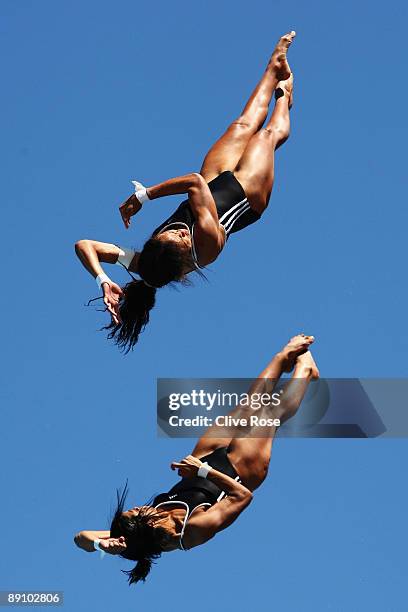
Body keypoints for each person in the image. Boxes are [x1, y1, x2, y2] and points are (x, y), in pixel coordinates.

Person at [75, 31, 296, 351]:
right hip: (246, 195)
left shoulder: (143, 263)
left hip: (212, 182)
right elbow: (193, 183)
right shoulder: (206, 245)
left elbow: (85, 246)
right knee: (265, 137)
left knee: (242, 126)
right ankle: (284, 98)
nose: (180, 234)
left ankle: (274, 66)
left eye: (169, 235)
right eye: (181, 240)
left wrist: (104, 280)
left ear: (151, 246)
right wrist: (144, 195)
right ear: (183, 260)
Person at [74, 334, 319, 584]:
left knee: (246, 407)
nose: (137, 507)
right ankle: (306, 371)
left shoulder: (132, 536)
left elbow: (80, 538)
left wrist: (101, 544)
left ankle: (283, 356)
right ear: (145, 527)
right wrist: (203, 471)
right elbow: (242, 497)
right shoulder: (190, 531)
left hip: (203, 460)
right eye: (136, 513)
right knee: (268, 414)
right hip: (239, 474)